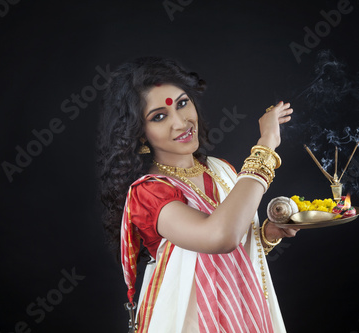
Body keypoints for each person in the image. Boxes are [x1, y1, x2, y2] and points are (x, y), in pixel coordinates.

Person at [97, 57, 297, 332]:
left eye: (182, 103)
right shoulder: (150, 192)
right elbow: (219, 237)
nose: (181, 122)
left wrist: (265, 235)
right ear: (140, 134)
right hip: (190, 321)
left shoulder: (220, 169)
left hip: (241, 312)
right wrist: (266, 146)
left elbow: (231, 245)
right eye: (159, 116)